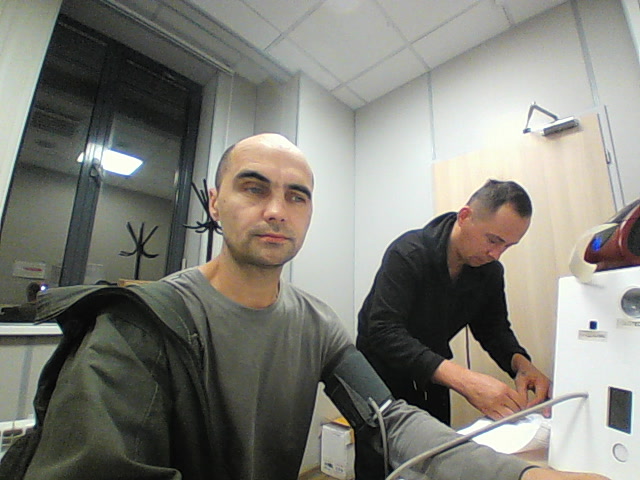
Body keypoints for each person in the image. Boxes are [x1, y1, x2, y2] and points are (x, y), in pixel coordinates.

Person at [3, 134, 606, 480]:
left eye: (297, 196)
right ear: (214, 202)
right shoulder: (136, 324)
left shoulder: (317, 325)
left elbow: (388, 420)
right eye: (253, 187)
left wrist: (524, 475)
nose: (276, 210)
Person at [356, 180, 553, 477]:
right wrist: (466, 381)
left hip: (433, 375)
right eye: (493, 240)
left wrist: (521, 365)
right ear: (465, 216)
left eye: (507, 246)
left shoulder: (489, 271)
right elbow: (383, 331)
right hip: (380, 377)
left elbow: (494, 329)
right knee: (379, 467)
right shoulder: (408, 252)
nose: (496, 254)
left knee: (436, 460)